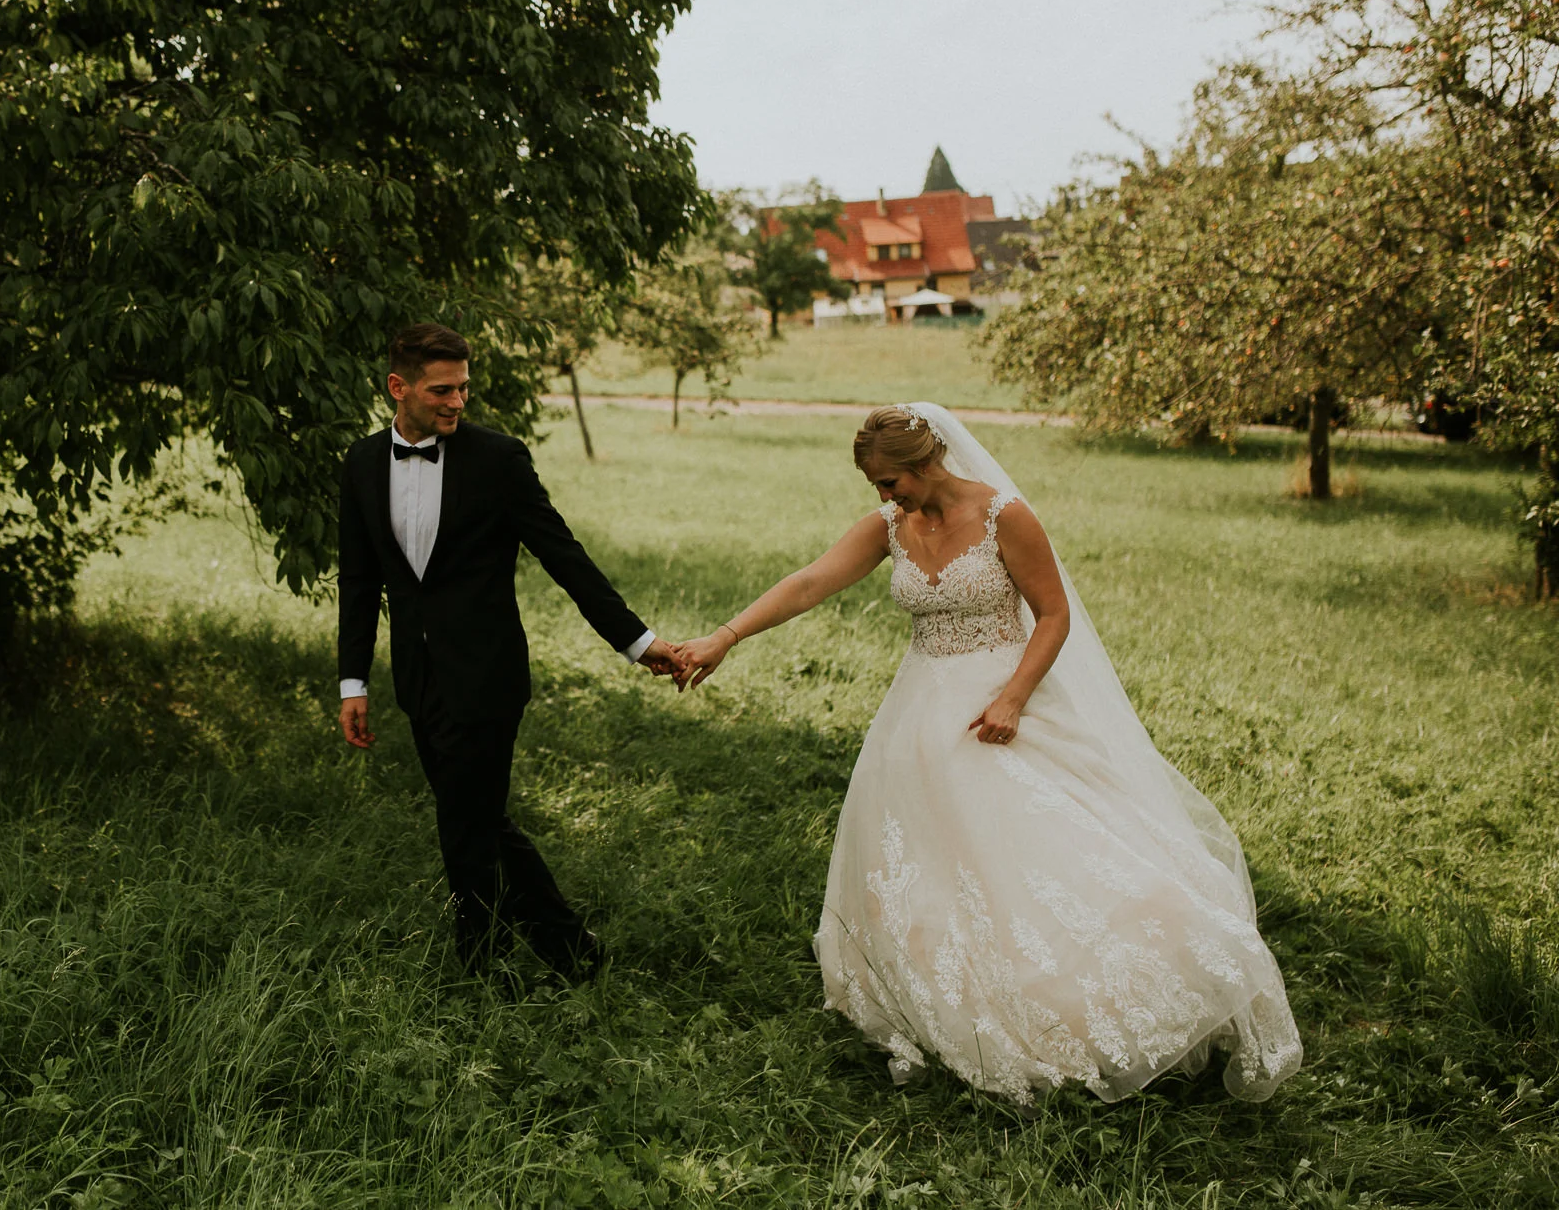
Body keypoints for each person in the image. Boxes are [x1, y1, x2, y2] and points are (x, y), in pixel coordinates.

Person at [671, 403, 1302, 1103]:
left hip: (1004, 703)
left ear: (922, 462)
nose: (884, 496)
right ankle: (950, 996)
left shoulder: (1005, 515)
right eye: (877, 486)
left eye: (890, 482)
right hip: (919, 716)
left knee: (1047, 853)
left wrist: (1013, 697)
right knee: (934, 861)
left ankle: (1091, 998)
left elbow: (1054, 613)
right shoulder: (890, 526)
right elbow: (811, 581)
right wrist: (725, 637)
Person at [337, 323, 684, 983]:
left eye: (464, 388)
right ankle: (571, 948)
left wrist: (637, 642)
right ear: (397, 386)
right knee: (477, 818)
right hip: (417, 676)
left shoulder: (498, 460)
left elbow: (564, 555)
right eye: (442, 389)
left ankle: (479, 963)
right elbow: (358, 580)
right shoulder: (360, 463)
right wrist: (354, 680)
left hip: (487, 676)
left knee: (465, 824)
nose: (457, 402)